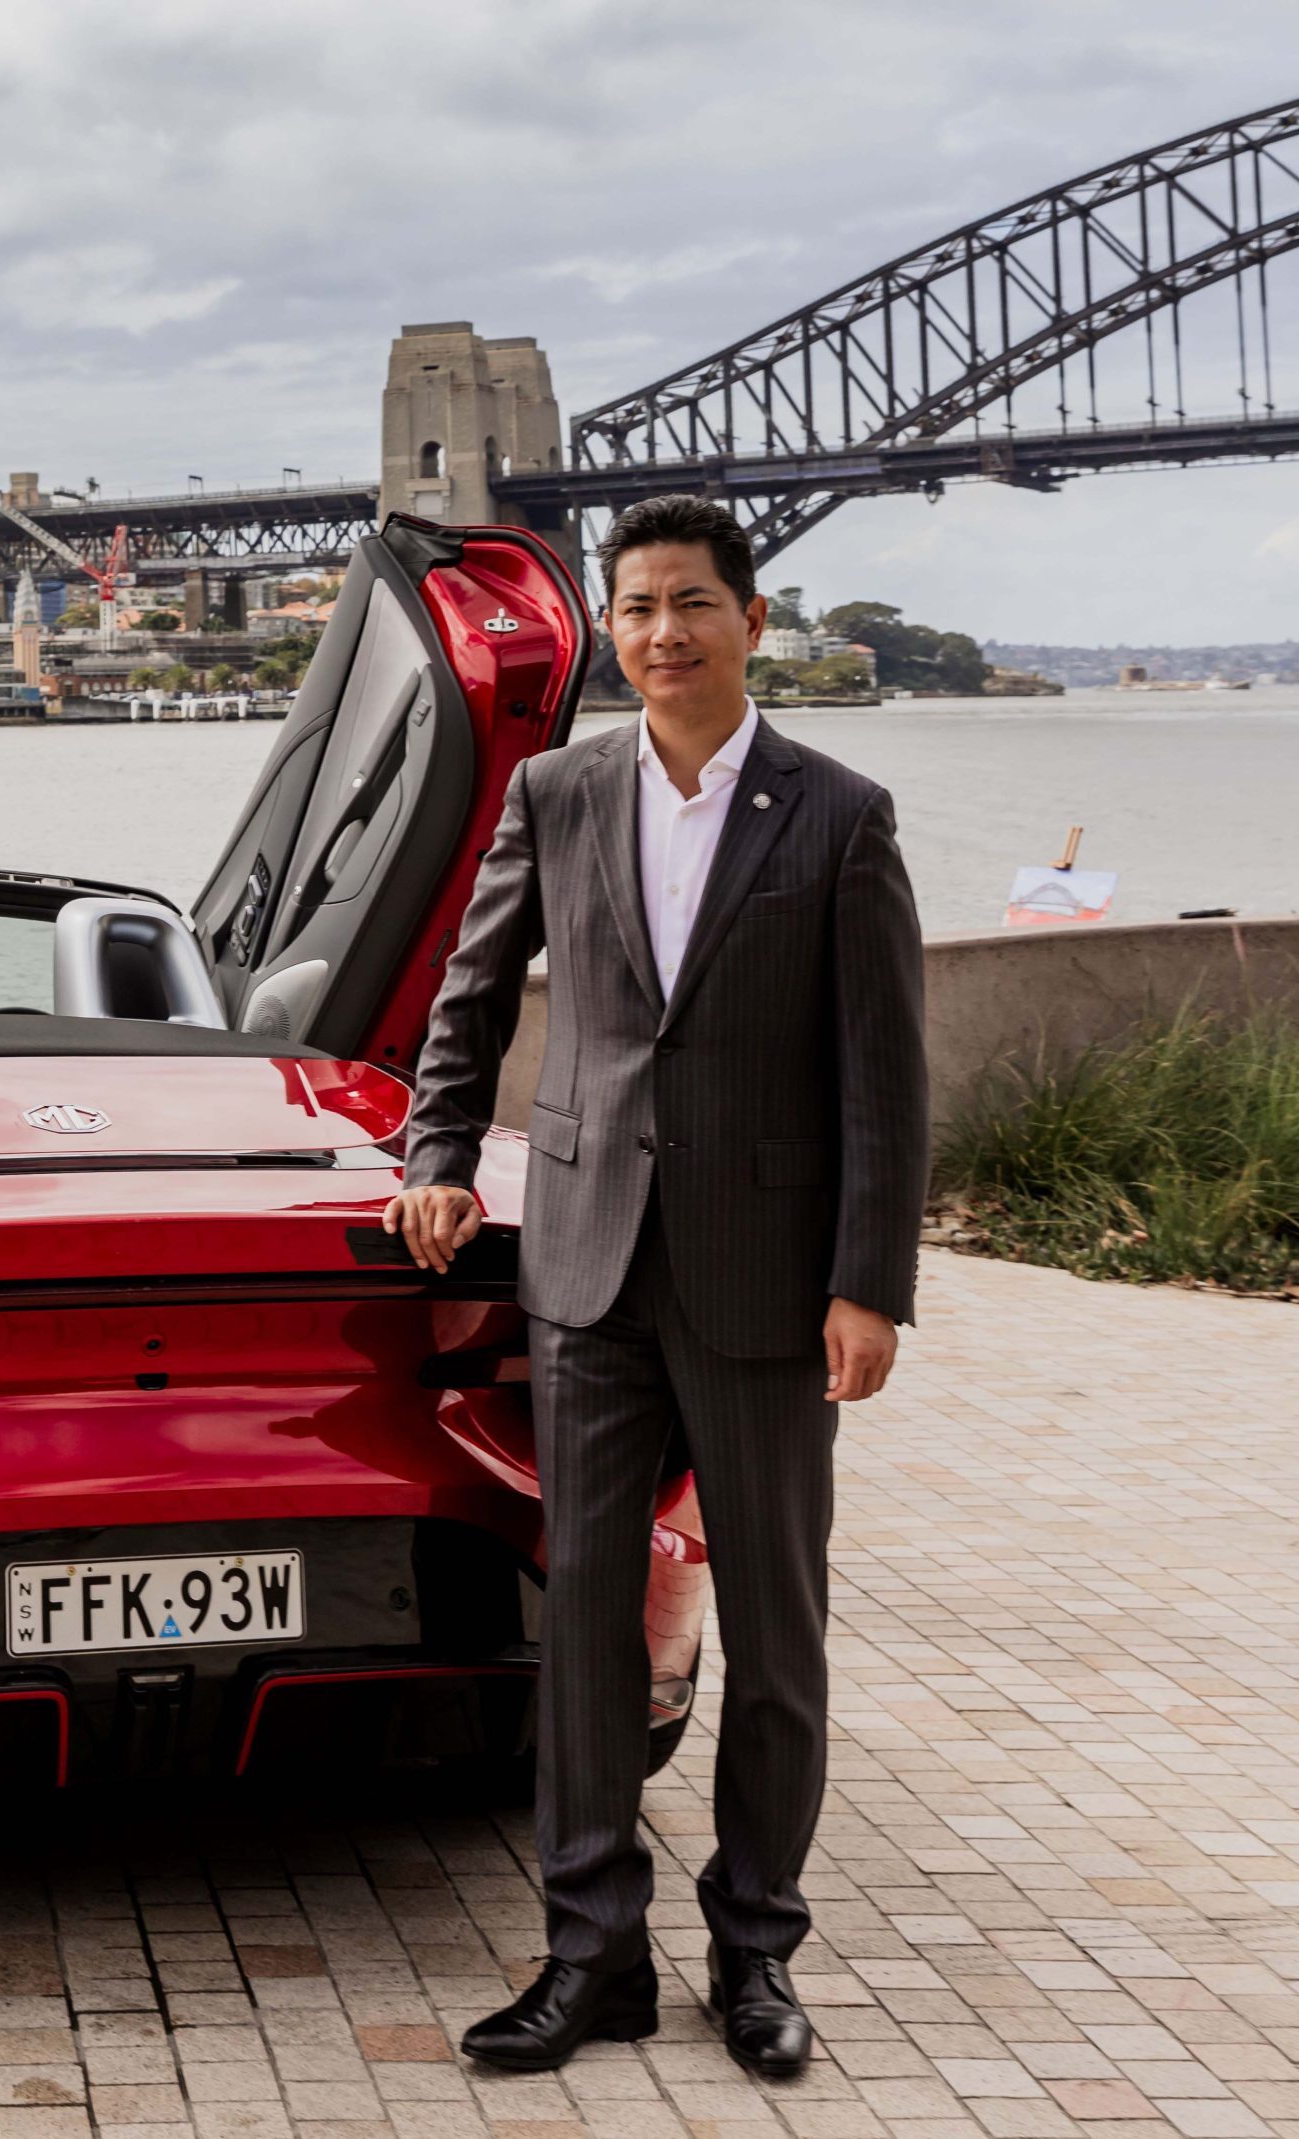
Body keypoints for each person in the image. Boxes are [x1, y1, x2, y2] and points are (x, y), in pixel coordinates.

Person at [383, 494, 926, 2076]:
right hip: (585, 1269)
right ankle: (591, 1956)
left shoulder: (840, 815)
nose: (662, 633)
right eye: (634, 609)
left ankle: (755, 1952)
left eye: (691, 603)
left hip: (769, 1286)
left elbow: (881, 1076)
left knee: (776, 1630)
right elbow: (467, 991)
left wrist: (870, 1284)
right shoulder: (556, 792)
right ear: (610, 633)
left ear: (753, 621)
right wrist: (432, 1153)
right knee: (586, 1636)